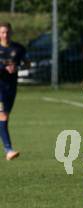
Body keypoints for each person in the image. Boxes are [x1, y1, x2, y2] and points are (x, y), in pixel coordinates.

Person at [0, 22, 27, 160]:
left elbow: (26, 62)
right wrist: (4, 68)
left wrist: (18, 65)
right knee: (2, 116)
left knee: (4, 117)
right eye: (3, 32)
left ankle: (8, 149)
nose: (5, 35)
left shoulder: (18, 48)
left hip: (11, 88)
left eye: (7, 32)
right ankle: (8, 150)